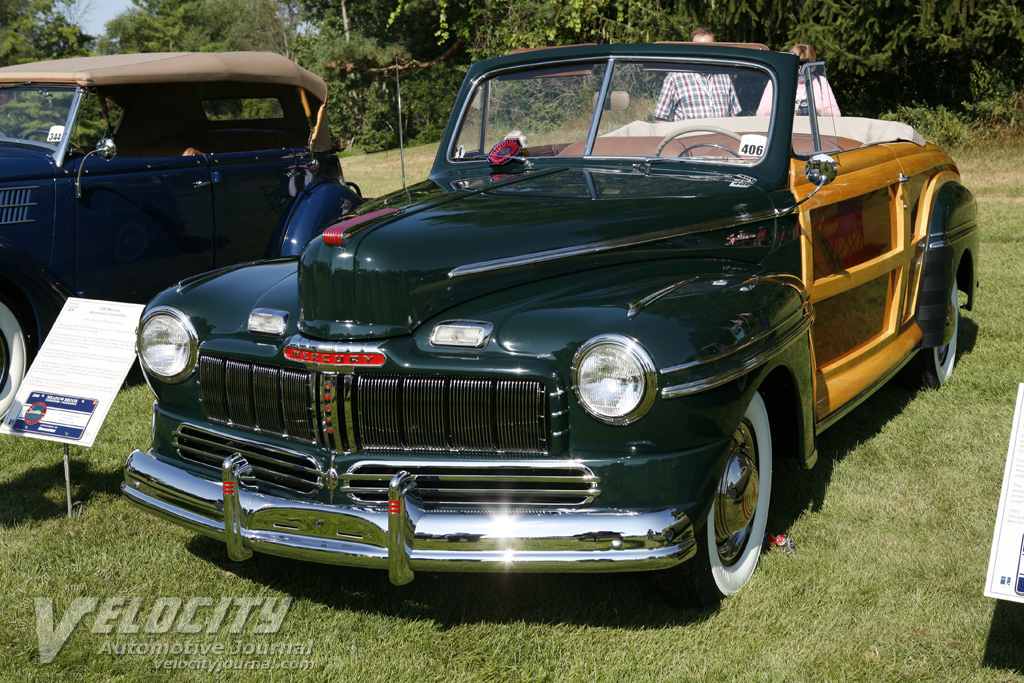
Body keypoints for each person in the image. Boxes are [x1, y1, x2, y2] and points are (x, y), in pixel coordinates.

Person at [654, 29, 741, 121]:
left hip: (722, 135)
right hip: (690, 135)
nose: (703, 52)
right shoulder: (676, 78)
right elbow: (660, 118)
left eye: (709, 48)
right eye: (699, 48)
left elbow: (733, 115)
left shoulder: (724, 76)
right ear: (691, 49)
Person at [756, 43, 841, 117]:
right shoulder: (777, 82)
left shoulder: (820, 82)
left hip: (815, 133)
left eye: (805, 65)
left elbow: (836, 113)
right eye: (797, 65)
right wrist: (785, 112)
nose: (801, 70)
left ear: (812, 65)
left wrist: (818, 111)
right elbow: (761, 113)